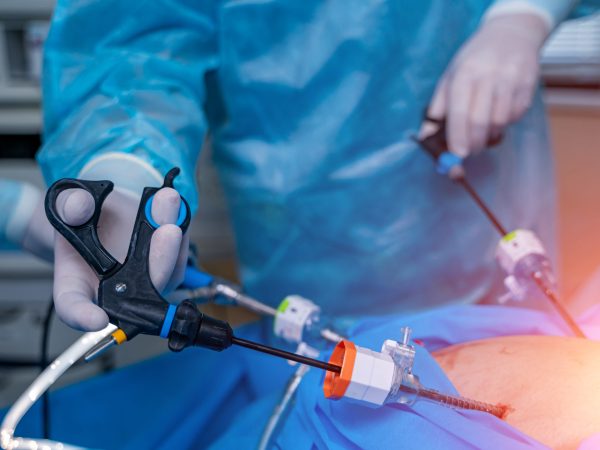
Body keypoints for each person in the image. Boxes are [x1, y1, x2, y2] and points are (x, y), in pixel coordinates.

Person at [36, 1, 599, 330]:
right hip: (315, 247)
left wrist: (522, 15)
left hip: (494, 218)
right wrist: (126, 166)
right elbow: (132, 41)